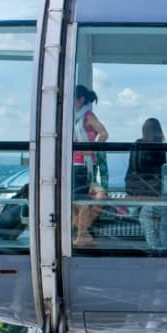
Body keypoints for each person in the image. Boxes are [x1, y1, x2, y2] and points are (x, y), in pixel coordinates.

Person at [71, 85, 108, 246]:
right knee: (78, 201)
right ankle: (83, 235)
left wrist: (90, 149)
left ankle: (82, 234)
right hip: (74, 164)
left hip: (83, 166)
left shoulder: (86, 116)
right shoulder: (72, 117)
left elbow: (104, 133)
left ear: (80, 99)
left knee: (82, 200)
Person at [125, 118, 167, 249]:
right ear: (158, 131)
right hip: (153, 189)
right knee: (154, 212)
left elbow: (134, 168)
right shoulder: (160, 147)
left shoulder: (137, 145)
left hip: (137, 187)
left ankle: (155, 246)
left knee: (147, 212)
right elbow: (162, 170)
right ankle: (159, 245)